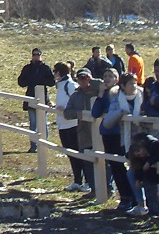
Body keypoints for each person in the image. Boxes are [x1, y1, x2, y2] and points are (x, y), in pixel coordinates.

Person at [90, 69, 134, 211]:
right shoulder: (104, 96)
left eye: (110, 76)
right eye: (105, 76)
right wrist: (100, 94)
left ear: (117, 79)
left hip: (119, 133)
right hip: (107, 133)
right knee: (114, 166)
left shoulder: (119, 94)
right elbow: (95, 113)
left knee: (123, 165)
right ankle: (124, 196)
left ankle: (131, 197)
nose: (107, 78)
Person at [54, 63, 91, 192]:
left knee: (79, 153)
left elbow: (76, 102)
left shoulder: (69, 85)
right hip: (63, 124)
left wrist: (66, 111)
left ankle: (88, 181)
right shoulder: (60, 86)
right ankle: (77, 180)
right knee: (70, 154)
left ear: (58, 73)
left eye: (55, 71)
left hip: (72, 124)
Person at [17, 48, 55, 152]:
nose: (36, 56)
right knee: (33, 123)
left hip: (43, 97)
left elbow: (52, 82)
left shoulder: (46, 68)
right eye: (34, 54)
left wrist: (42, 81)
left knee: (43, 123)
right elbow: (20, 82)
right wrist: (29, 81)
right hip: (30, 97)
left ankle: (44, 144)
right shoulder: (27, 68)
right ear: (31, 56)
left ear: (41, 55)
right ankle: (33, 146)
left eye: (38, 54)